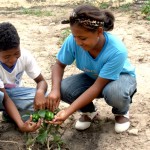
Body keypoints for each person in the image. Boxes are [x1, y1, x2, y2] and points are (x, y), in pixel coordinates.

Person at [47, 4, 137, 133]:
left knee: (114, 92)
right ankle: (88, 111)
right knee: (63, 88)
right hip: (94, 76)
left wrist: (67, 111)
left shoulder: (117, 50)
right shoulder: (73, 41)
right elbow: (59, 65)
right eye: (74, 37)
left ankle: (121, 112)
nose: (77, 42)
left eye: (83, 38)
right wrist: (54, 90)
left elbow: (97, 87)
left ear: (99, 32)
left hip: (121, 77)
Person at [0, 22, 48, 132]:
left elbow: (41, 81)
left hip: (14, 94)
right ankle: (15, 116)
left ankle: (10, 115)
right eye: (7, 56)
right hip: (3, 97)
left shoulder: (25, 56)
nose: (12, 59)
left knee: (46, 97)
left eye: (16, 53)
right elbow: (5, 99)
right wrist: (21, 125)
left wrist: (40, 93)